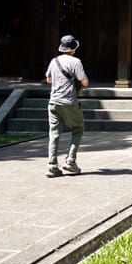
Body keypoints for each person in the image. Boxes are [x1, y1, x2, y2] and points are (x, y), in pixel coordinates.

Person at [45, 34, 89, 177]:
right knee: (78, 129)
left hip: (53, 102)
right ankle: (70, 160)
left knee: (54, 133)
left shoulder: (54, 61)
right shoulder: (76, 62)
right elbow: (84, 82)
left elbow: (48, 80)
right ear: (73, 48)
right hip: (69, 101)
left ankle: (52, 166)